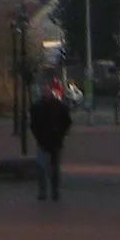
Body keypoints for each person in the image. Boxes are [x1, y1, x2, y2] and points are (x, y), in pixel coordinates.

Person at [29, 75, 73, 203]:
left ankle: (55, 191)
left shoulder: (59, 106)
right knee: (41, 167)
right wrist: (37, 135)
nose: (45, 93)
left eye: (47, 91)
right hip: (42, 141)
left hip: (55, 141)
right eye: (43, 91)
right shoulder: (37, 107)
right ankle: (42, 191)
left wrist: (61, 133)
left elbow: (67, 121)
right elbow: (33, 124)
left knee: (54, 169)